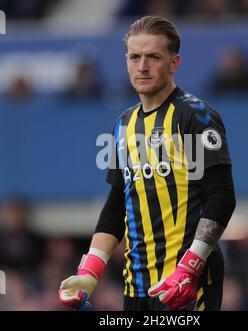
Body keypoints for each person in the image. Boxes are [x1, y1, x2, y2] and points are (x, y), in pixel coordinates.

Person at [58, 15, 236, 311]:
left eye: (153, 57)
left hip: (188, 287)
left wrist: (190, 267)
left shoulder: (196, 116)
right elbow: (116, 204)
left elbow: (222, 196)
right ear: (125, 60)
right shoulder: (122, 124)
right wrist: (89, 271)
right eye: (135, 57)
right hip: (137, 288)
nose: (142, 66)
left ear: (174, 63)